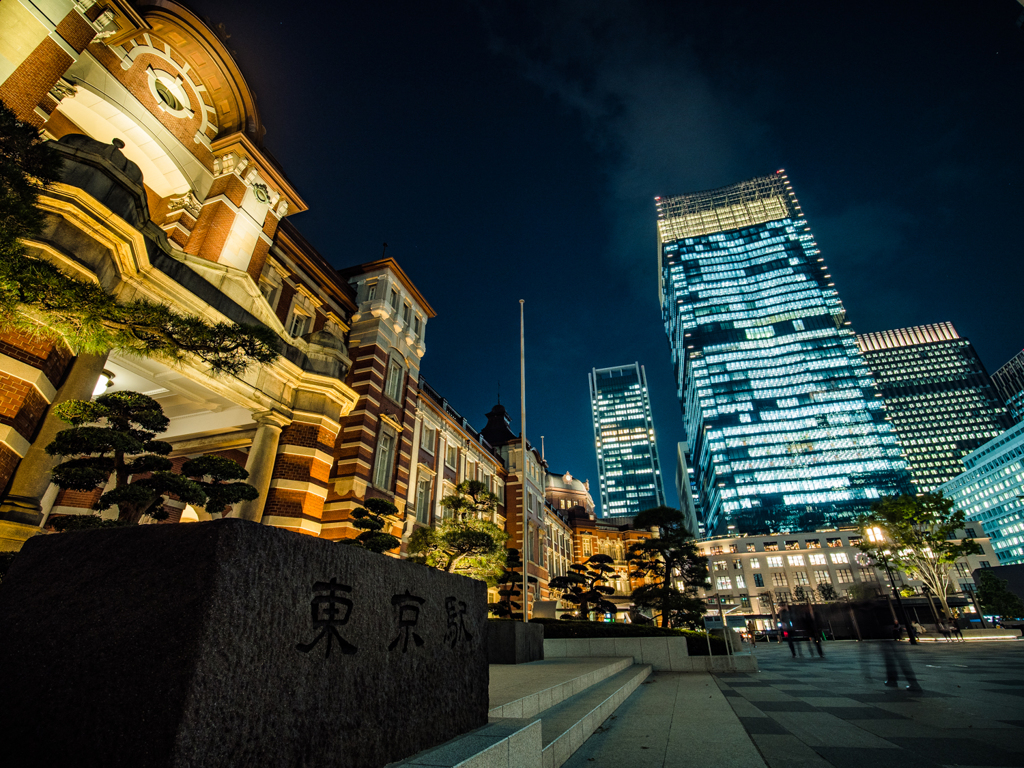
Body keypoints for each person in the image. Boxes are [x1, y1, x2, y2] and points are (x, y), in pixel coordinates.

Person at [883, 620, 921, 691]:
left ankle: (895, 680)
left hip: (886, 636)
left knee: (893, 659)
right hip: (889, 638)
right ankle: (894, 680)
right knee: (897, 659)